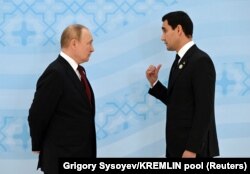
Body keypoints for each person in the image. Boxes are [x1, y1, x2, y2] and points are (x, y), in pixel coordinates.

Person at [146, 11, 219, 158]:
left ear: (178, 30)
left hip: (193, 151)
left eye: (165, 30)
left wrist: (192, 149)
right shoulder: (180, 60)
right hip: (178, 148)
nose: (162, 37)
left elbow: (204, 110)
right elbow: (178, 102)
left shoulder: (200, 61)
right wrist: (155, 83)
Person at [28, 24, 96, 173]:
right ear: (74, 43)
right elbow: (37, 114)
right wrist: (39, 145)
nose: (92, 49)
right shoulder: (56, 73)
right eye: (89, 43)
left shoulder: (78, 72)